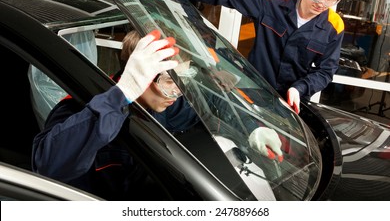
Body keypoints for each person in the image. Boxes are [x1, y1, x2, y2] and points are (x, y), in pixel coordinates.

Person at [32, 29, 282, 200]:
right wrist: (122, 94)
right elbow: (48, 166)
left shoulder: (163, 102)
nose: (176, 93)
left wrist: (252, 127)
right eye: (168, 81)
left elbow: (213, 101)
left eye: (183, 81)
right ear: (141, 72)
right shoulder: (80, 107)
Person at [166, 0, 348, 114]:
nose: (322, 3)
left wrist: (299, 89)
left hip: (289, 104)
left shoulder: (334, 26)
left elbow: (325, 71)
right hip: (252, 91)